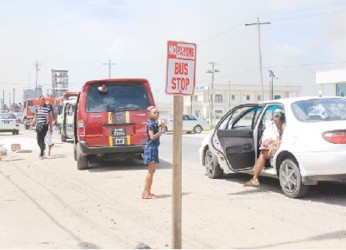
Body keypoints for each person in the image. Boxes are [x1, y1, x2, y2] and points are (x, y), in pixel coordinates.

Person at [244, 109, 286, 187]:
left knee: (263, 154)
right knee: (263, 152)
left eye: (277, 120)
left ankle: (255, 179)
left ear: (281, 119)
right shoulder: (277, 125)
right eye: (274, 119)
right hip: (279, 147)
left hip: (283, 147)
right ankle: (255, 179)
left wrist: (275, 144)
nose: (275, 122)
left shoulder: (284, 126)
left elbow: (286, 139)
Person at [142, 106, 167, 199]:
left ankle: (146, 192)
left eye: (157, 112)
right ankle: (146, 193)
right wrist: (160, 132)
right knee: (150, 171)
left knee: (152, 171)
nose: (157, 114)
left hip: (154, 148)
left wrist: (161, 127)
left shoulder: (154, 123)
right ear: (149, 114)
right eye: (154, 112)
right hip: (151, 149)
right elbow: (152, 137)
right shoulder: (150, 124)